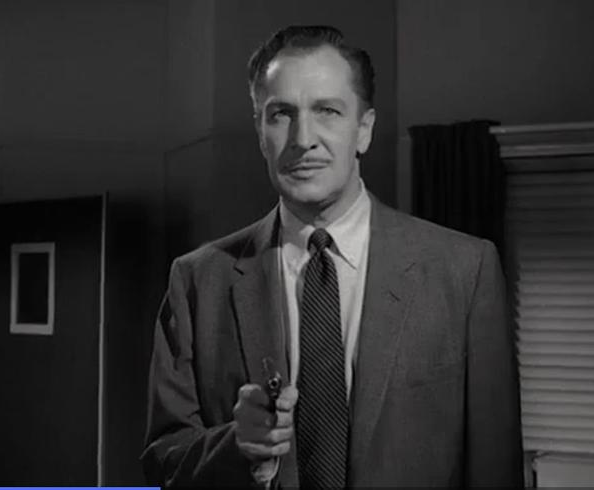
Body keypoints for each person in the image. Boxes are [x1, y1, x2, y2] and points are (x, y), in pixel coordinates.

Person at [141, 24, 523, 488]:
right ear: (261, 133)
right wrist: (237, 445)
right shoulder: (198, 282)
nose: (303, 138)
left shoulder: (465, 271)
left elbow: (495, 468)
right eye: (281, 114)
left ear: (364, 130)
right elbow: (164, 462)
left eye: (327, 111)